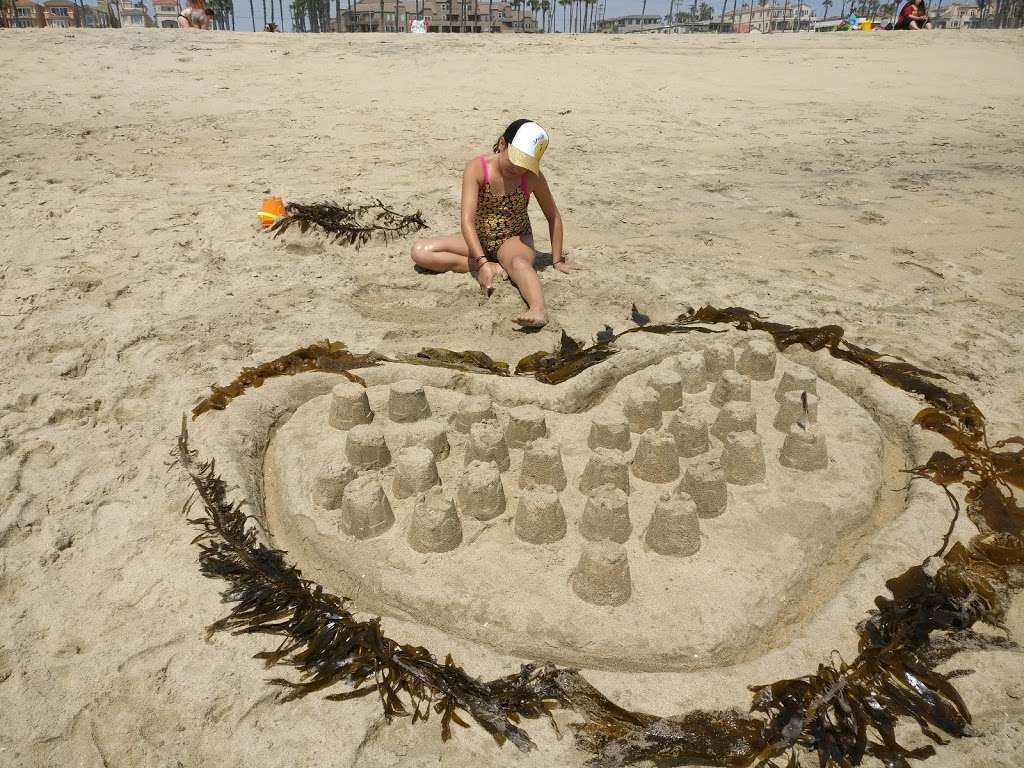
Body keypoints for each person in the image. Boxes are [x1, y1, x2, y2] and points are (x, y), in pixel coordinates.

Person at [410, 119, 567, 329]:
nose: (519, 169)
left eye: (525, 165)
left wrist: (557, 261)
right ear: (502, 144)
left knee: (519, 264)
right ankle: (493, 266)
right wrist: (483, 263)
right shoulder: (478, 168)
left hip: (513, 239)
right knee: (420, 251)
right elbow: (466, 220)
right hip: (480, 239)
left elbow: (553, 216)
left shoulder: (531, 177)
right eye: (515, 161)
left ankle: (538, 308)